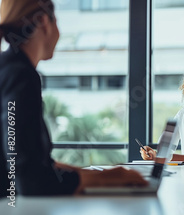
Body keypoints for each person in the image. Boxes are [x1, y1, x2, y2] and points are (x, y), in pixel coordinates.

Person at [0, 0, 147, 196]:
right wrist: (109, 178)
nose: (59, 33)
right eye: (57, 22)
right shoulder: (21, 75)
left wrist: (103, 174)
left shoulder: (9, 68)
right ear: (44, 22)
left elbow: (35, 162)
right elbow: (31, 178)